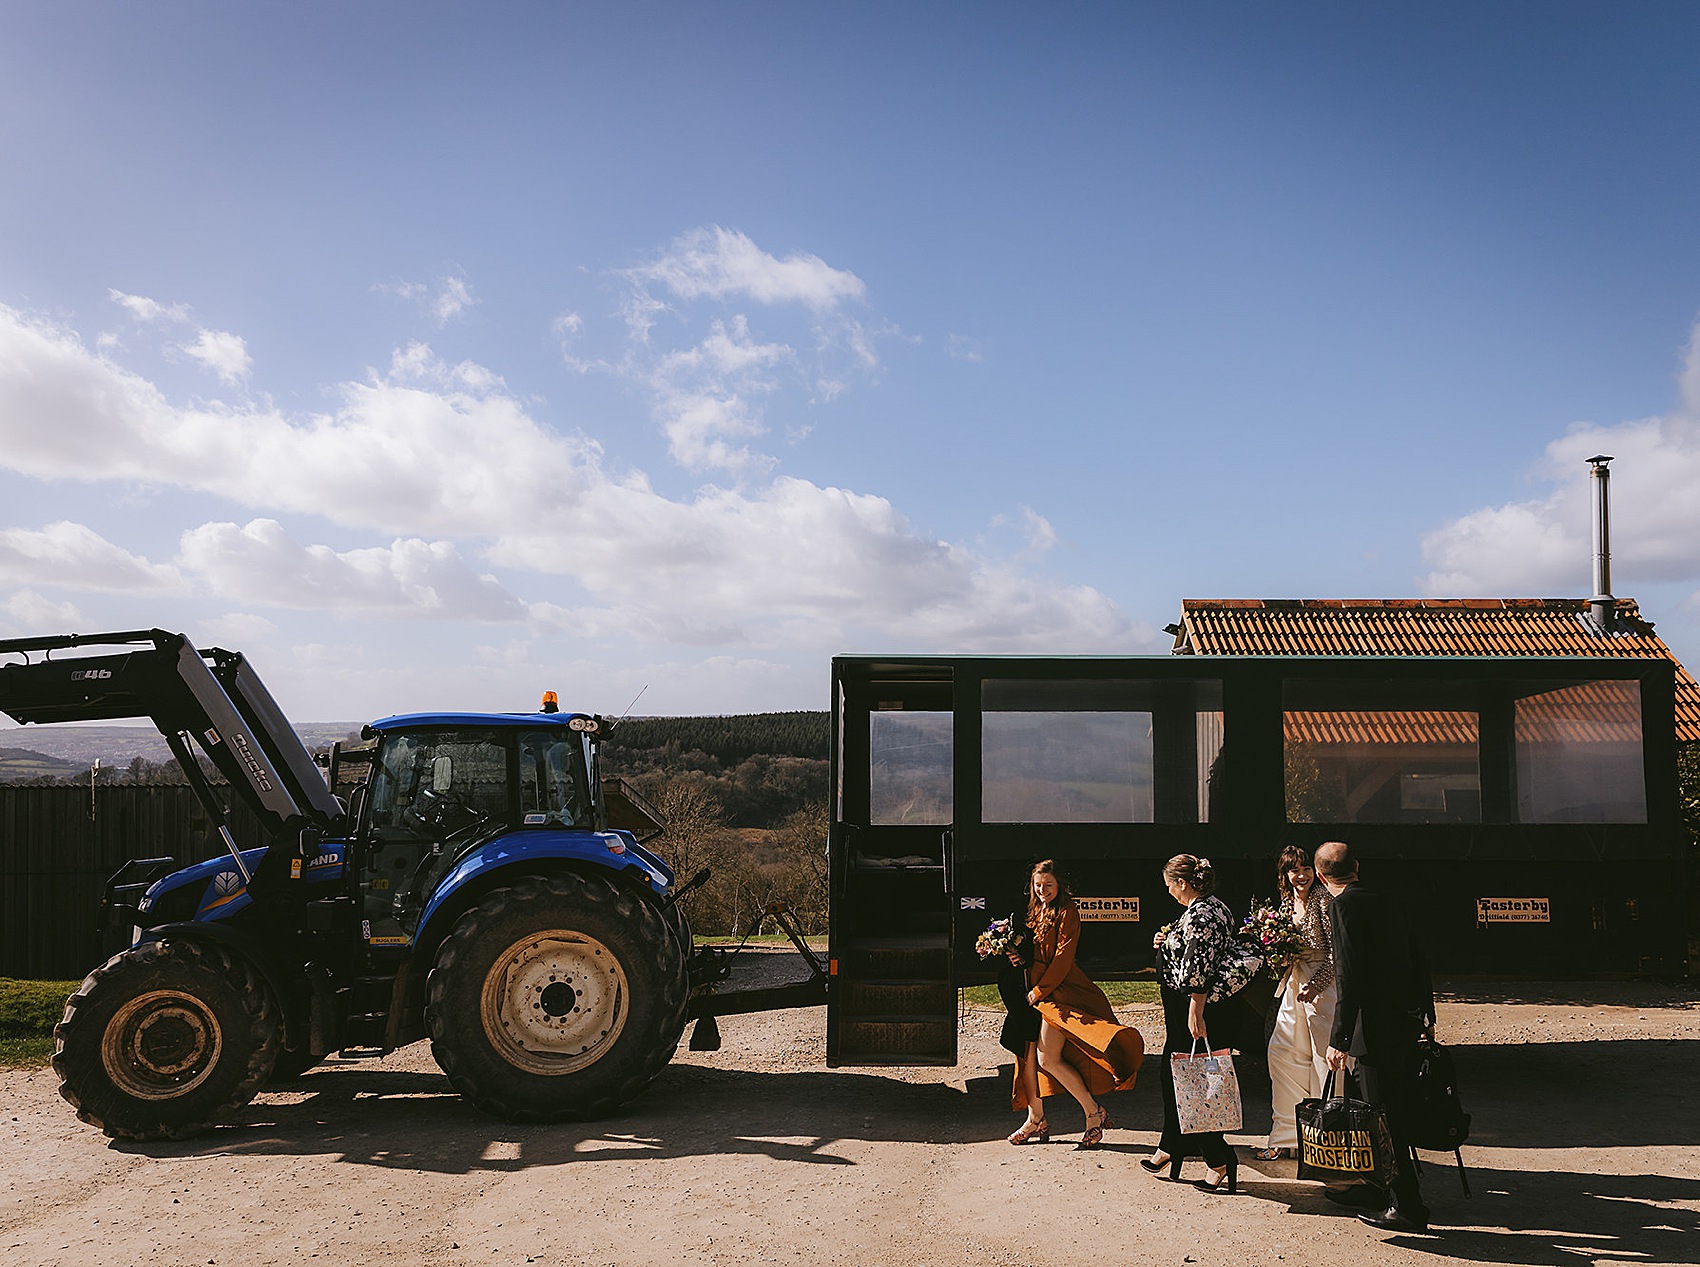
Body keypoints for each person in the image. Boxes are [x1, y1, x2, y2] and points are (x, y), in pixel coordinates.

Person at [1317, 839, 1436, 1234]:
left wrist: (1340, 1039)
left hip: (1374, 1030)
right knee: (1385, 1110)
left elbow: (1350, 977)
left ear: (1320, 876)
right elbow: (1419, 956)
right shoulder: (1389, 898)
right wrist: (1426, 1012)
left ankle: (1407, 1205)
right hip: (1402, 1021)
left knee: (1383, 1117)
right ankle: (1375, 1186)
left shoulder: (1342, 906)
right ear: (1357, 866)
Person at [1008, 859, 1143, 1148]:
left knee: (1047, 1058)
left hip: (1060, 993)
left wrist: (1040, 991)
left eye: (1049, 885)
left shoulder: (1068, 912)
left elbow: (1062, 959)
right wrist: (1017, 957)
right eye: (1038, 885)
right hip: (1038, 989)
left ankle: (1093, 1113)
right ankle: (1046, 1117)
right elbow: (1035, 952)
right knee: (1034, 1056)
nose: (1043, 890)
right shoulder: (1037, 909)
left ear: (1060, 885)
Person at [1144, 853, 1241, 1193]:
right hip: (1185, 1008)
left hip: (1192, 1008)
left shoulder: (1202, 915)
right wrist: (1166, 942)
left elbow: (1199, 968)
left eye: (1169, 885)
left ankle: (1218, 1158)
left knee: (1193, 1082)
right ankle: (1172, 1144)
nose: (1168, 891)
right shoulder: (1209, 908)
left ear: (1182, 883)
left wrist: (1194, 1012)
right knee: (1174, 1074)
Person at [1256, 845, 1336, 1161]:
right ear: (1285, 875)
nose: (1300, 875)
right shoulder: (1287, 904)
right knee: (1282, 1053)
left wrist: (1315, 987)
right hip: (1294, 983)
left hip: (1323, 988)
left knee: (1322, 1060)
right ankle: (1288, 1135)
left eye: (1304, 869)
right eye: (1293, 870)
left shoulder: (1323, 900)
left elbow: (1336, 954)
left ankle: (1324, 1139)